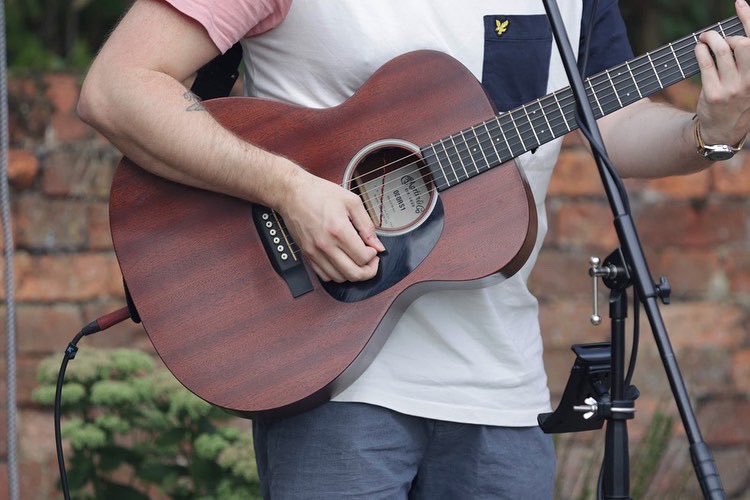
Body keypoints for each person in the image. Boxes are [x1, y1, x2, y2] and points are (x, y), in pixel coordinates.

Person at [78, 0, 750, 498]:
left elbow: (612, 123)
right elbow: (119, 86)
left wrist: (709, 133)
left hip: (501, 393)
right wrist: (288, 189)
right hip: (327, 372)